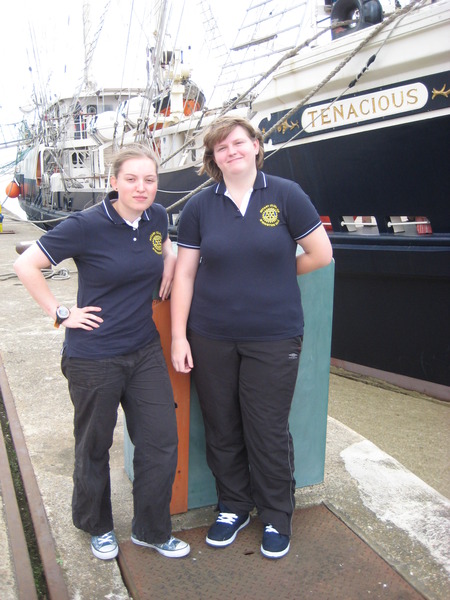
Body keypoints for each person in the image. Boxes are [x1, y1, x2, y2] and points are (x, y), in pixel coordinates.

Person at [14, 144, 190, 560]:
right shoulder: (85, 225)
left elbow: (163, 245)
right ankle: (97, 525)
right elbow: (26, 265)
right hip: (93, 356)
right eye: (131, 179)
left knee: (161, 441)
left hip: (143, 349)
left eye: (150, 180)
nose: (141, 187)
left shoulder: (158, 217)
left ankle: (152, 529)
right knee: (93, 445)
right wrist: (60, 313)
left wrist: (169, 257)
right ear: (113, 183)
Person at [170, 115, 332, 559]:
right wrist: (180, 337)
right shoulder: (202, 207)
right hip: (211, 334)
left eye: (239, 143)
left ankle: (277, 513)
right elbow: (184, 273)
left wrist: (277, 272)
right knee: (221, 425)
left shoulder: (285, 195)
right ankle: (233, 506)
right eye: (222, 148)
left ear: (257, 146)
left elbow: (321, 254)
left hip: (273, 336)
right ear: (213, 158)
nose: (232, 152)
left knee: (266, 428)